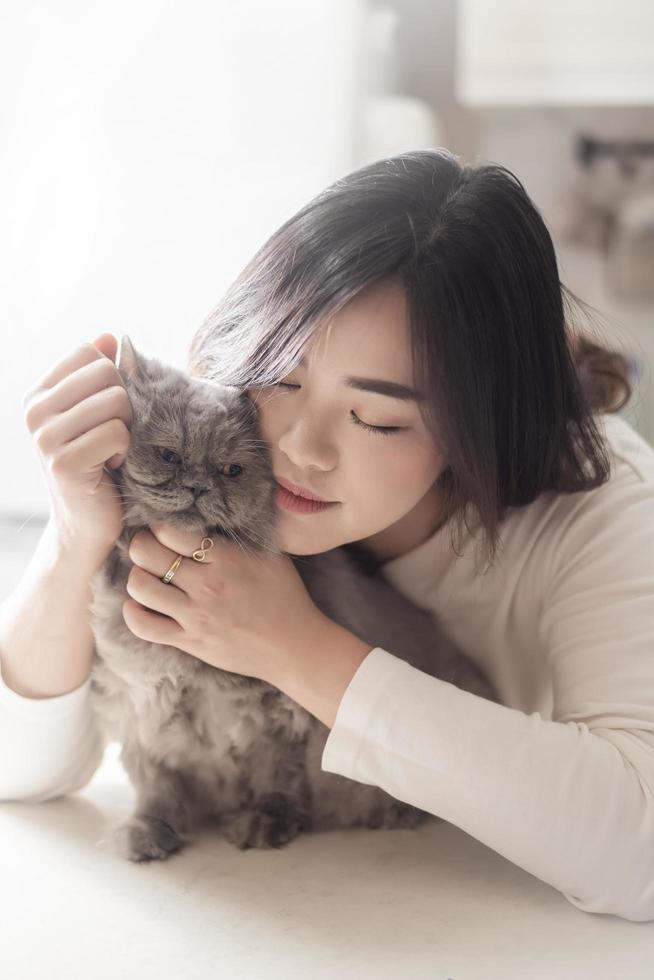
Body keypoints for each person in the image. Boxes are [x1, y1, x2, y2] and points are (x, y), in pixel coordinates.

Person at [1, 149, 653, 922]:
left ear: (477, 426)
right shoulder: (211, 438)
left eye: (377, 418)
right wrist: (77, 536)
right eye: (281, 377)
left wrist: (292, 643)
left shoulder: (602, 506)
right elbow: (25, 771)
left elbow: (636, 851)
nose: (301, 449)